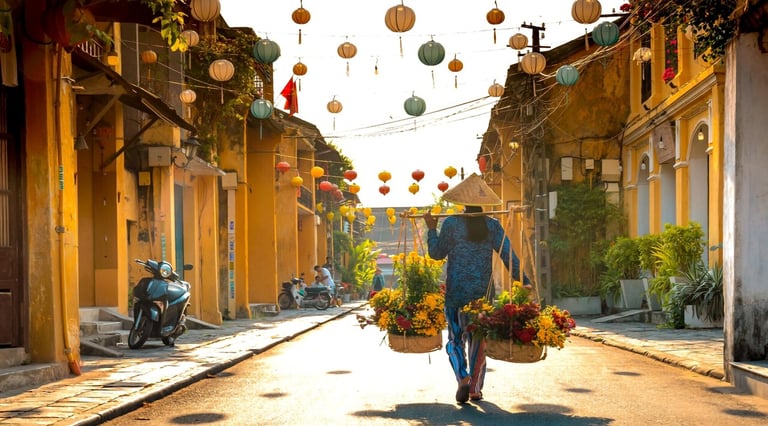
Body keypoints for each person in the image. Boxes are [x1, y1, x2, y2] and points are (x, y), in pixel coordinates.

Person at [424, 173, 529, 404]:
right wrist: (524, 279)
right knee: (478, 339)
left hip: (455, 294)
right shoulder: (492, 225)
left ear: (462, 202)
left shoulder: (451, 223)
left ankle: (462, 377)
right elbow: (508, 254)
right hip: (482, 295)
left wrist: (431, 229)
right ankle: (474, 389)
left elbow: (436, 254)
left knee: (454, 339)